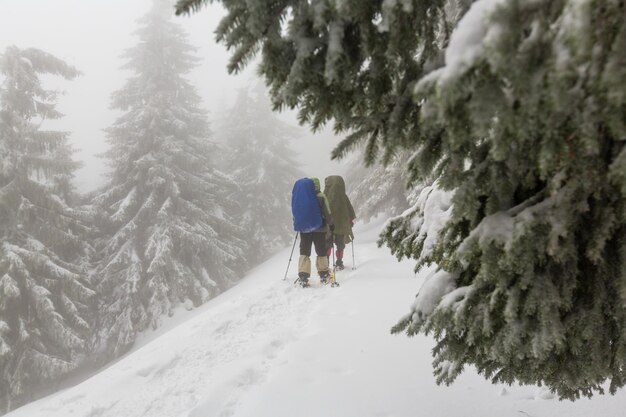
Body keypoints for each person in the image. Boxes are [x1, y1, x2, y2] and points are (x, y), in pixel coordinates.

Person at [297, 177, 334, 286]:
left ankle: (303, 276)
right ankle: (324, 275)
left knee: (304, 251)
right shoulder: (321, 197)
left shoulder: (303, 197)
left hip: (305, 229)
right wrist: (331, 225)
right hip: (320, 229)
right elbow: (327, 212)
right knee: (321, 250)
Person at [324, 175, 356, 270]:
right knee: (340, 244)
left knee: (327, 244)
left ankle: (326, 263)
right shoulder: (343, 196)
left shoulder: (325, 195)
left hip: (328, 225)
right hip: (341, 225)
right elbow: (350, 211)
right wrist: (350, 221)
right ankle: (339, 262)